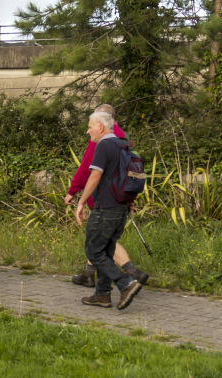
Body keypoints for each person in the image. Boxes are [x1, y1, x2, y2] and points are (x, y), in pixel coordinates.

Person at [65, 104, 149, 287]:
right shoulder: (125, 139)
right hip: (122, 195)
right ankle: (92, 279)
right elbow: (131, 170)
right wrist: (131, 198)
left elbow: (89, 169)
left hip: (104, 197)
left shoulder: (103, 140)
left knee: (99, 241)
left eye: (91, 124)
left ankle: (129, 274)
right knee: (101, 237)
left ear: (102, 122)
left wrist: (74, 191)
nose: (89, 130)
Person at [76, 112, 143, 310]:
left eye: (90, 127)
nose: (88, 131)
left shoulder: (103, 145)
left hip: (106, 207)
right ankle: (102, 295)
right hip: (121, 207)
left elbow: (95, 175)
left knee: (93, 251)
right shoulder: (123, 144)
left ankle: (126, 283)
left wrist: (81, 202)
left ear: (101, 127)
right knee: (106, 250)